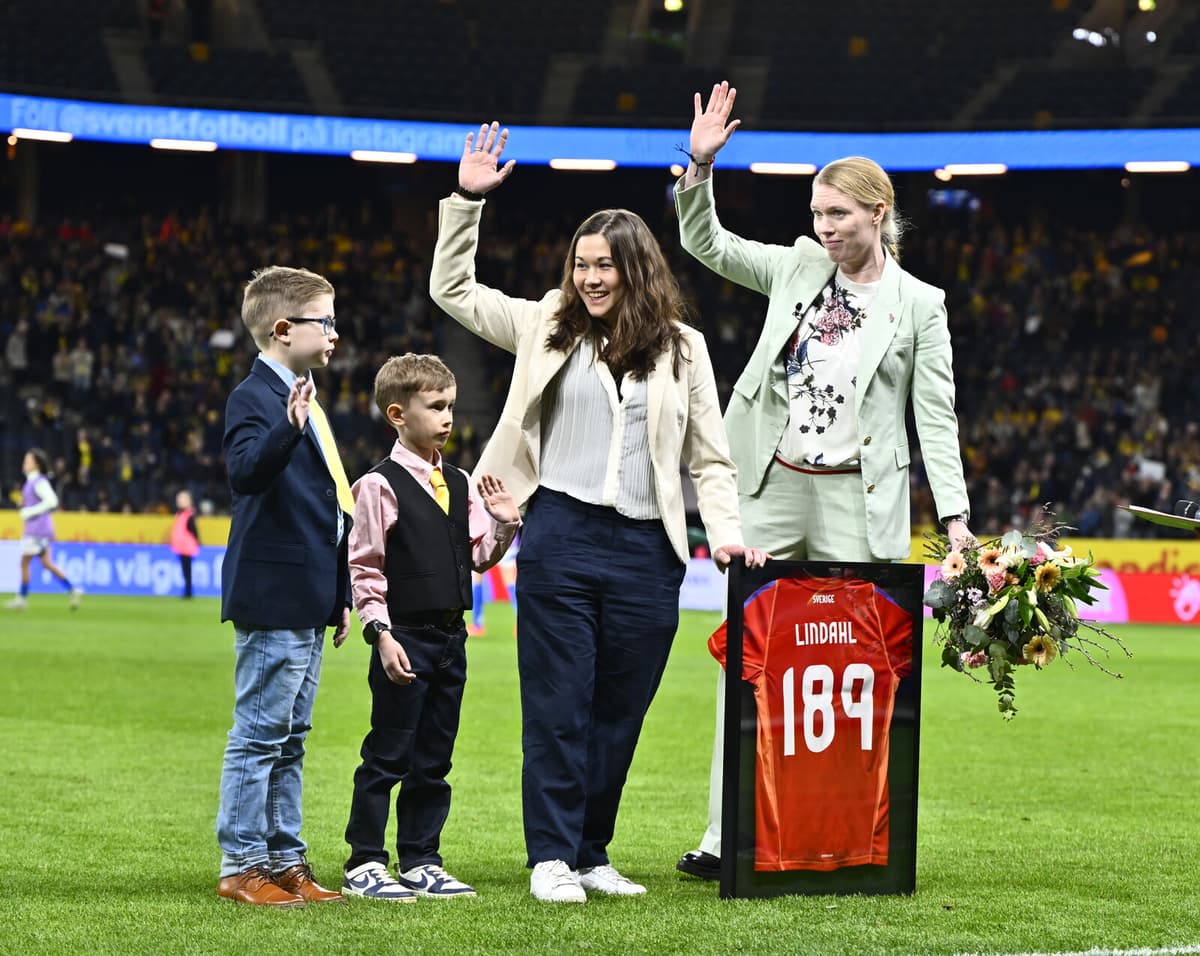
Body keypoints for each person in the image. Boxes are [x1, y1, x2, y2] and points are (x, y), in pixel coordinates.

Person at [430, 122, 768, 904]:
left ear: (636, 269)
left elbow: (711, 459)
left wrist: (726, 536)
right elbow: (452, 292)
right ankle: (549, 855)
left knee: (620, 713)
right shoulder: (545, 323)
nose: (588, 278)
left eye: (603, 265)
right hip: (560, 536)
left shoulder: (683, 347)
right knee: (557, 706)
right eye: (580, 264)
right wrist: (466, 203)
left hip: (651, 552)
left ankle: (590, 852)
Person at [673, 82, 976, 880]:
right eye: (816, 214)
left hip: (857, 499)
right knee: (748, 655)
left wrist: (955, 518)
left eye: (838, 214)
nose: (823, 228)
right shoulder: (799, 269)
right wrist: (698, 169)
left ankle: (847, 838)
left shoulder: (921, 306)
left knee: (860, 667)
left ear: (878, 213)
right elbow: (712, 247)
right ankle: (723, 832)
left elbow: (935, 420)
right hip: (771, 488)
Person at [341, 353, 521, 902]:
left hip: (450, 639)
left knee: (434, 758)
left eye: (451, 405)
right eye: (436, 406)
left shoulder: (460, 482)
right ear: (398, 414)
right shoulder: (377, 485)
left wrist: (507, 525)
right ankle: (365, 861)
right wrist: (381, 634)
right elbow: (364, 566)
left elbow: (476, 557)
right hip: (405, 638)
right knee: (387, 753)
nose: (448, 416)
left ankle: (421, 857)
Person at [215, 265, 353, 908]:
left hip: (304, 594)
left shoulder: (302, 397)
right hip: (273, 597)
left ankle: (283, 861)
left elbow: (328, 507)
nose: (334, 333)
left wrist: (340, 593)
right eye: (324, 321)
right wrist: (289, 427)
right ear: (282, 328)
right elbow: (244, 473)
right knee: (260, 734)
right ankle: (241, 865)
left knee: (290, 736)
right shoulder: (258, 399)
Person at [5, 449, 83, 611]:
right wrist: (26, 506)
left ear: (37, 464)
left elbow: (52, 501)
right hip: (41, 530)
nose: (24, 463)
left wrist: (29, 511)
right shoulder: (32, 482)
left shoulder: (39, 482)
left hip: (37, 531)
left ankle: (21, 599)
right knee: (46, 563)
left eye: (28, 460)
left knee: (24, 562)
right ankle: (72, 589)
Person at [170, 489, 200, 599]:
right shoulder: (181, 514)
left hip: (187, 547)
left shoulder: (189, 515)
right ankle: (187, 590)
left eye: (181, 498)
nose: (178, 501)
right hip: (181, 547)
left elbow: (194, 531)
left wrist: (197, 543)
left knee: (187, 570)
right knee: (185, 570)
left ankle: (188, 591)